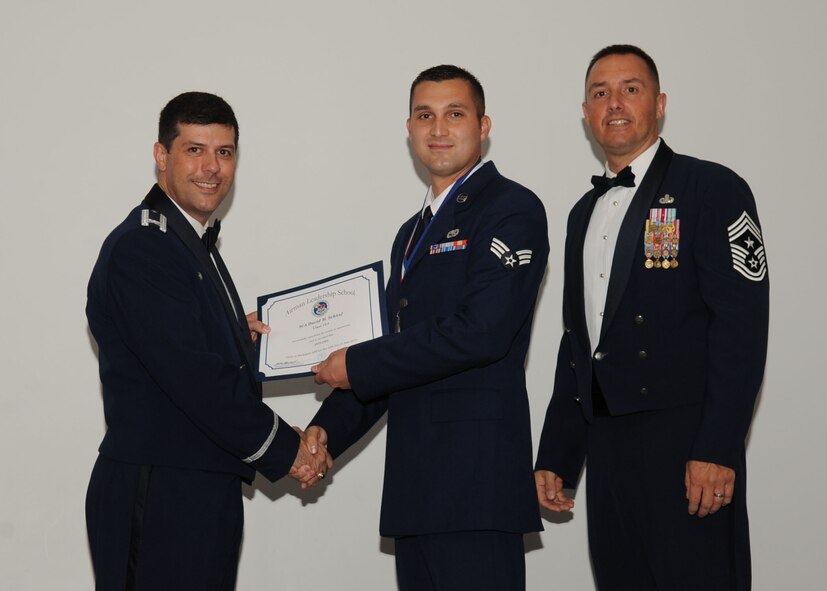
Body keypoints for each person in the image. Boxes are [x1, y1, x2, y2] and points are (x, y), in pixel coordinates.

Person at [534, 45, 769, 590]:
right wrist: (558, 453)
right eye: (600, 93)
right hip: (609, 449)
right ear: (586, 113)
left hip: (686, 446)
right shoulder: (581, 213)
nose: (614, 103)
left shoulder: (712, 188)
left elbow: (741, 330)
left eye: (630, 89)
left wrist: (717, 448)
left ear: (659, 104)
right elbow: (579, 340)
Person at [308, 65, 549, 590]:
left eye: (454, 114)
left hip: (476, 487)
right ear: (409, 129)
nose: (438, 129)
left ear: (483, 126)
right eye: (424, 116)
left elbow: (481, 331)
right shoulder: (410, 234)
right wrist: (325, 431)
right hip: (417, 490)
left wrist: (356, 363)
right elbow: (394, 353)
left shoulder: (512, 209)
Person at [85, 91, 331, 590]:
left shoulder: (185, 241)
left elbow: (180, 346)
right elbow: (197, 379)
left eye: (224, 152)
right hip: (160, 493)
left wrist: (233, 334)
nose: (211, 167)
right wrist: (288, 449)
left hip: (196, 486)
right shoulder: (144, 247)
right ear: (161, 155)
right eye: (194, 149)